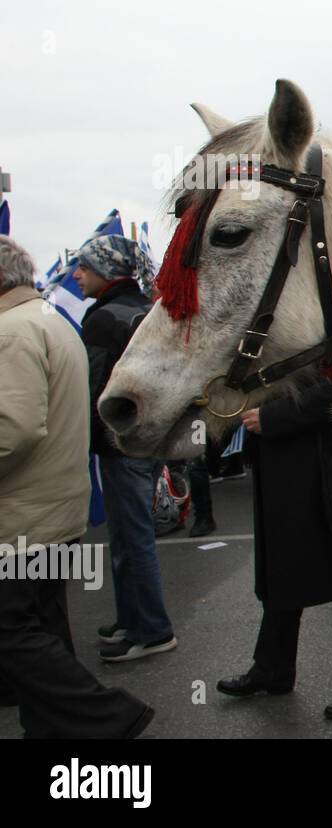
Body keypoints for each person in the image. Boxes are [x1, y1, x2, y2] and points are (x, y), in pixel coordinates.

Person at [0, 235, 154, 737]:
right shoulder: (48, 320)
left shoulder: (12, 332)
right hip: (55, 505)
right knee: (43, 624)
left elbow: (14, 429)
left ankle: (108, 714)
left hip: (21, 512)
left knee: (12, 631)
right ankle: (49, 729)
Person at [217, 379, 332, 720]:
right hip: (287, 466)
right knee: (282, 573)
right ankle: (273, 668)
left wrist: (274, 417)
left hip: (325, 473)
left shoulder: (325, 325)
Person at [74, 235, 178, 662]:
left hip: (121, 445)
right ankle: (130, 619)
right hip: (154, 440)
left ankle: (152, 630)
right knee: (129, 534)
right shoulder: (147, 310)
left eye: (84, 266)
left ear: (107, 270)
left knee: (131, 537)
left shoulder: (103, 319)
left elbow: (92, 389)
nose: (77, 274)